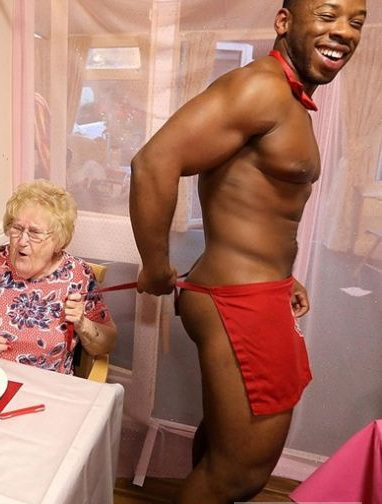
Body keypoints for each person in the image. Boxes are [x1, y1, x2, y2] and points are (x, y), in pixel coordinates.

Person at [129, 0, 366, 502]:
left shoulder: (289, 97)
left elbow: (258, 204)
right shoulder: (260, 87)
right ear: (284, 22)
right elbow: (153, 162)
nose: (344, 32)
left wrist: (284, 275)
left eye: (356, 22)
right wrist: (155, 266)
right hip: (239, 299)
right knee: (239, 474)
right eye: (327, 16)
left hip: (257, 290)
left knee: (223, 450)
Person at [0, 180, 116, 374]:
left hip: (43, 385)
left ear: (59, 241)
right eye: (17, 229)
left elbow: (107, 343)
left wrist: (82, 324)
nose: (22, 241)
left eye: (35, 233)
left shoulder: (78, 275)